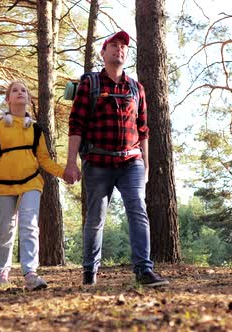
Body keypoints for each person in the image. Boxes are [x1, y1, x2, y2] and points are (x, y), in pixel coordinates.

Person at [63, 31, 169, 287]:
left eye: (122, 47)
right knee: (96, 217)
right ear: (103, 52)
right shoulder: (90, 84)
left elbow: (143, 129)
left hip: (131, 162)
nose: (119, 50)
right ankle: (90, 272)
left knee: (138, 210)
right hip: (97, 163)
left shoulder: (136, 88)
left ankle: (144, 270)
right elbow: (76, 124)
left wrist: (145, 165)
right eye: (113, 46)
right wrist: (70, 163)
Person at [0, 80, 72, 291]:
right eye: (14, 90)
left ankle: (30, 273)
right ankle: (1, 272)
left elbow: (45, 160)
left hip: (31, 182)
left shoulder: (36, 130)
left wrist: (63, 173)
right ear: (8, 99)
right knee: (6, 228)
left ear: (28, 99)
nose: (20, 93)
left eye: (23, 90)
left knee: (29, 225)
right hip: (3, 185)